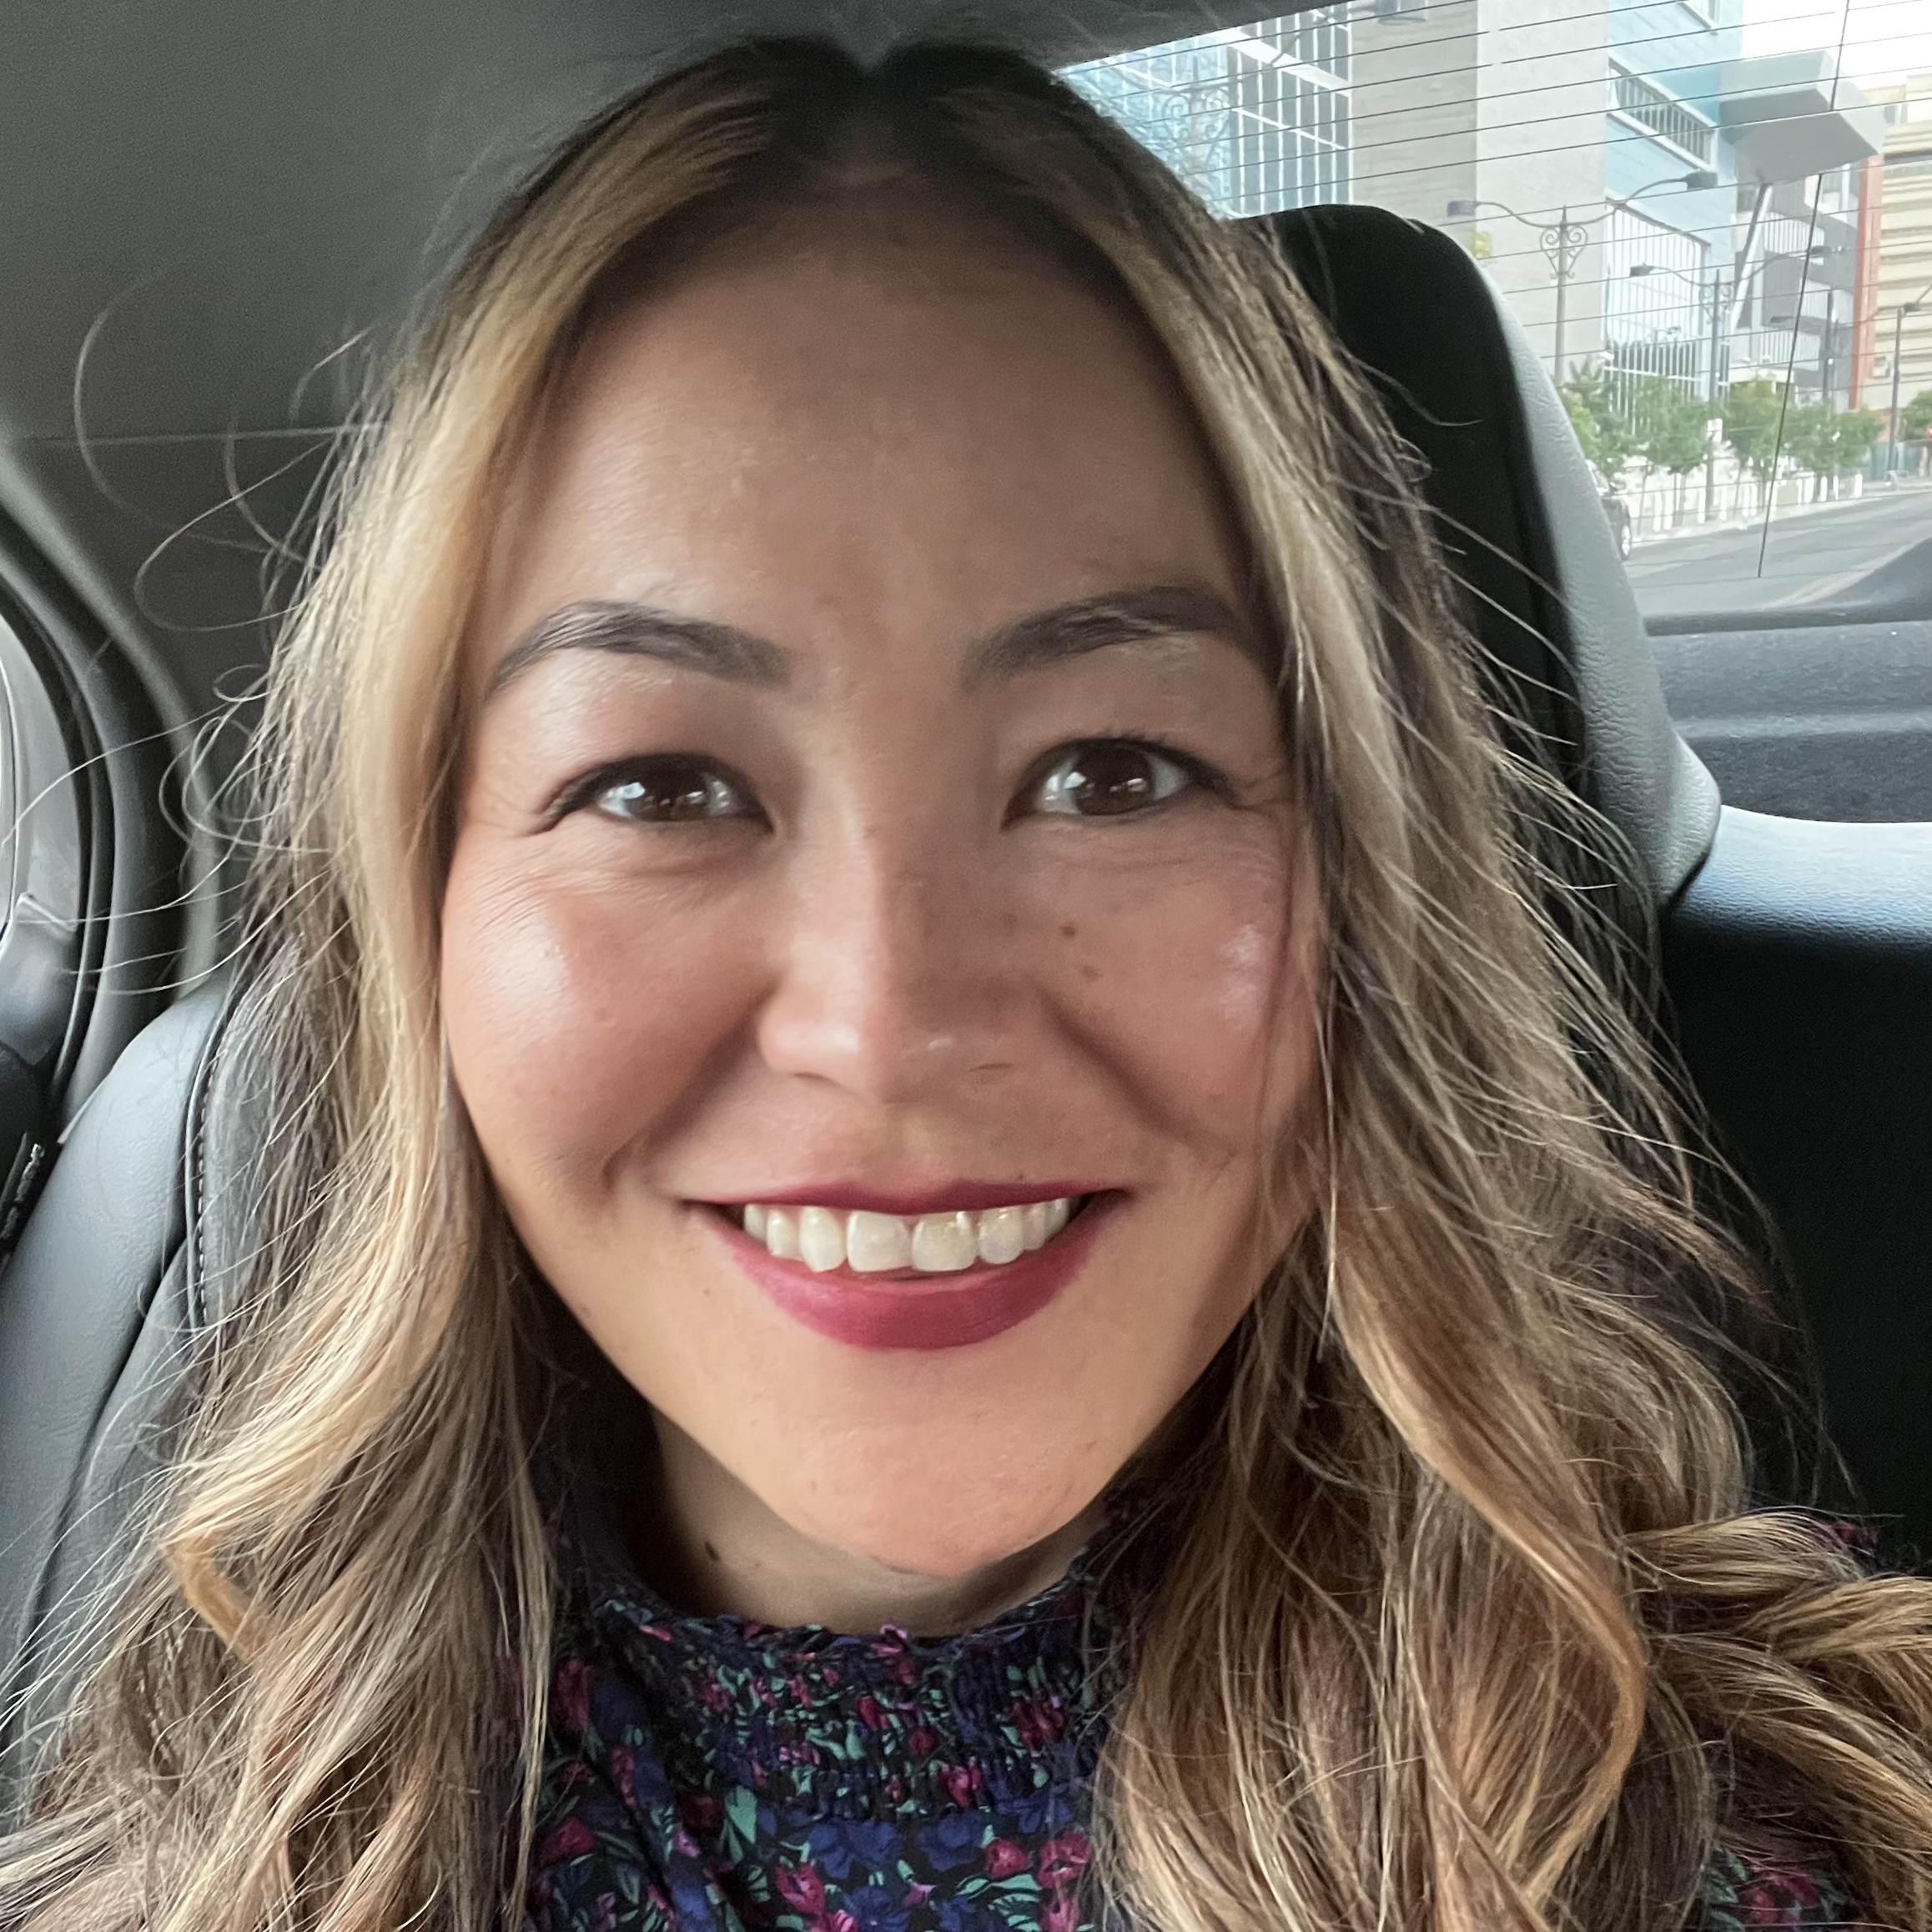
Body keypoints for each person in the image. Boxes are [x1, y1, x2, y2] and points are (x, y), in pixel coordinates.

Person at [3, 35, 1931, 1932]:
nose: (888, 1029)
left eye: (1115, 773)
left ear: (1364, 885)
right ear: (420, 924)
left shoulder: (1798, 1842)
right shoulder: (174, 1862)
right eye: (661, 786)